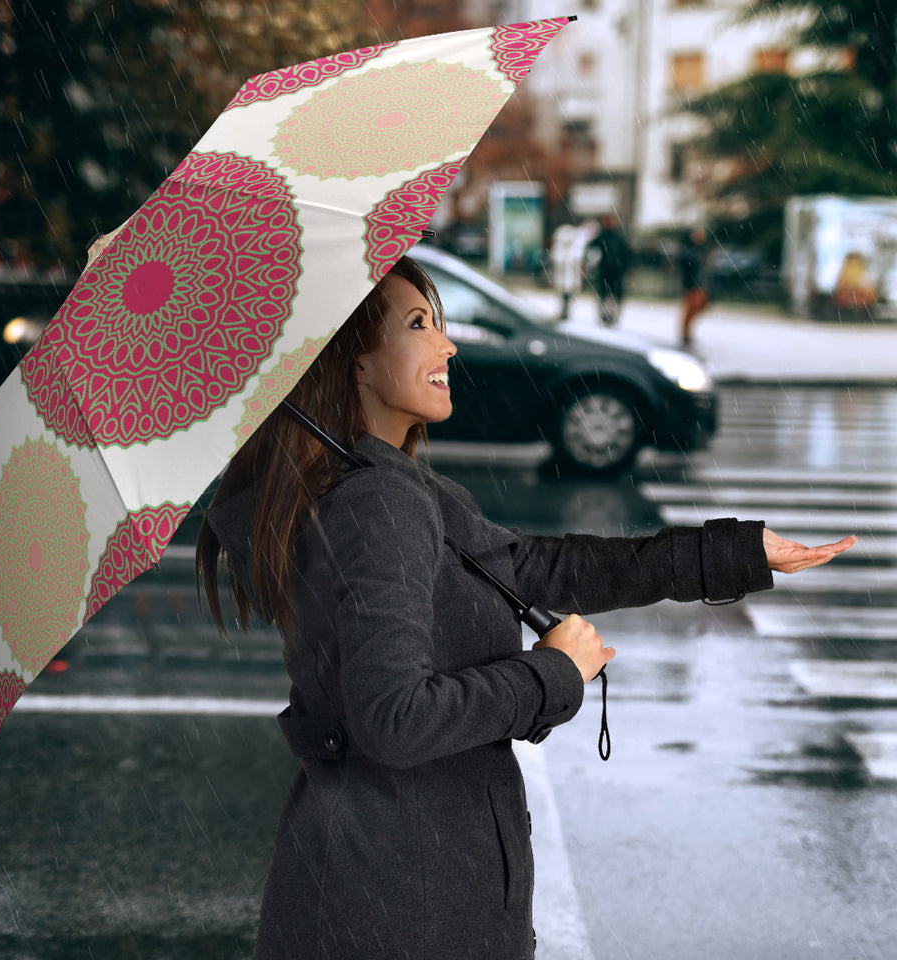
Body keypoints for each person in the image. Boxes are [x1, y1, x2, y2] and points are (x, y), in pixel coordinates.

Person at [195, 255, 856, 960]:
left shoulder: (385, 489)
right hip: (404, 902)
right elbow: (393, 719)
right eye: (419, 325)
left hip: (388, 883)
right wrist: (551, 674)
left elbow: (540, 567)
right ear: (353, 362)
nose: (447, 345)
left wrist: (733, 554)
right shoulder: (377, 504)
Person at [585, 213, 632, 327]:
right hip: (605, 270)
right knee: (604, 294)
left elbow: (627, 253)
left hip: (616, 271)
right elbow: (591, 249)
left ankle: (612, 316)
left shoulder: (618, 237)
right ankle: (604, 315)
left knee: (614, 295)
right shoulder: (602, 236)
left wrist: (627, 267)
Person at [678, 226, 710, 347]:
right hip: (692, 284)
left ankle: (687, 331)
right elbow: (687, 265)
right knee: (691, 308)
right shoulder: (688, 250)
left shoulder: (700, 249)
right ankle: (685, 333)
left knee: (699, 306)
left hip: (700, 283)